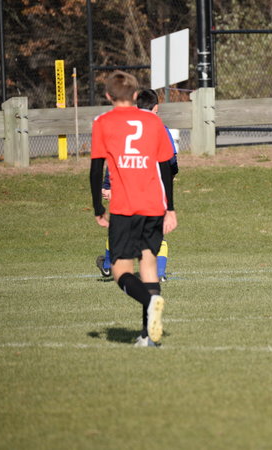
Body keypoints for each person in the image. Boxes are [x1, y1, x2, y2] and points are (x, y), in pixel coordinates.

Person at [90, 71, 177, 346]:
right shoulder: (153, 122)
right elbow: (166, 168)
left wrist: (97, 207)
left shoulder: (103, 123)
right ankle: (147, 335)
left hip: (125, 208)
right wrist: (170, 208)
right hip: (153, 206)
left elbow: (96, 169)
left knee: (121, 271)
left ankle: (150, 302)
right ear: (136, 95)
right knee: (148, 266)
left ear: (108, 96)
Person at [95, 89, 179, 282]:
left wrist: (107, 185)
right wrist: (170, 179)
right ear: (156, 107)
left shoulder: (122, 128)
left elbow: (114, 158)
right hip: (151, 190)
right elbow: (170, 161)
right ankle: (159, 273)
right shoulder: (159, 128)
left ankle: (108, 265)